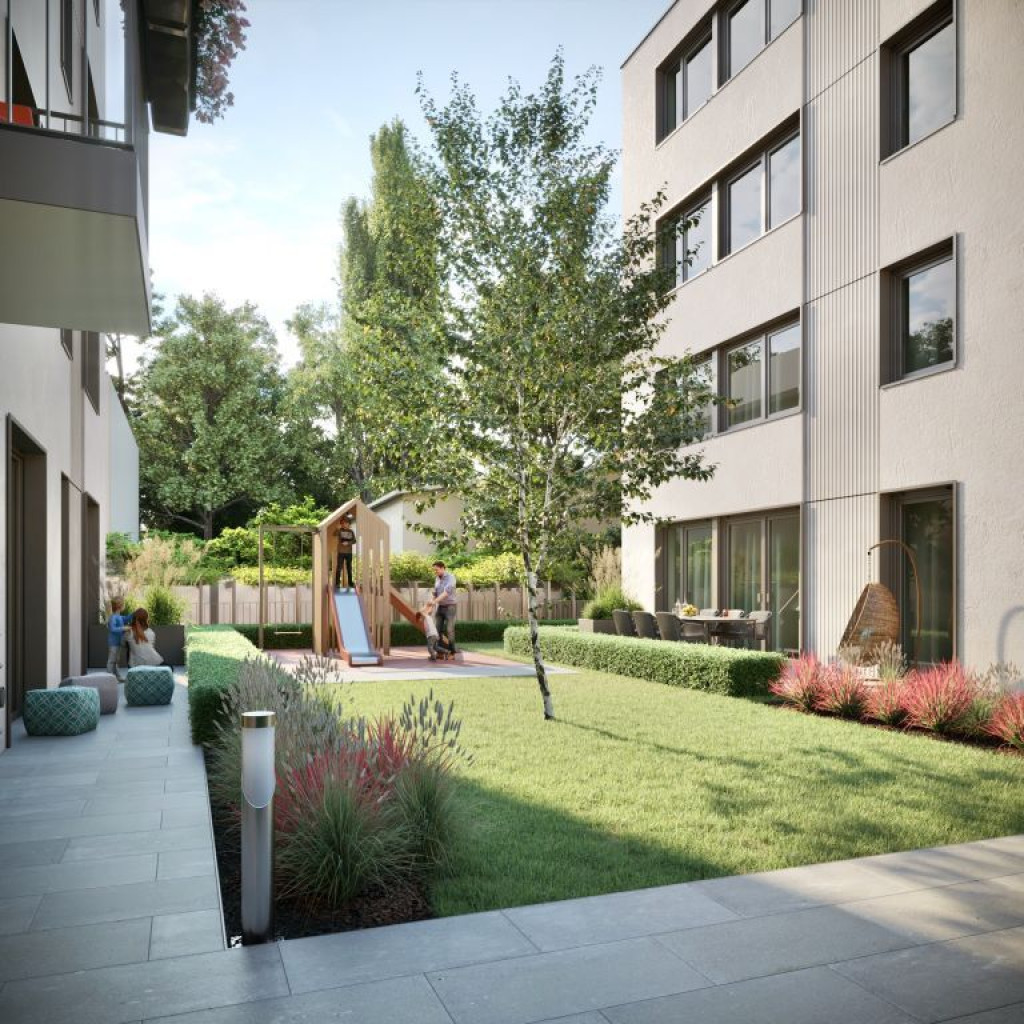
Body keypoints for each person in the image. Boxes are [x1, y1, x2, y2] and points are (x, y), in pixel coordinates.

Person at [431, 560, 458, 655]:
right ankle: (439, 650)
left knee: (449, 630)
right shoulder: (437, 579)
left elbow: (446, 592)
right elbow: (435, 593)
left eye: (436, 570)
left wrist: (434, 602)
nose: (435, 572)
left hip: (450, 607)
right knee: (437, 629)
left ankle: (452, 651)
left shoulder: (451, 578)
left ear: (442, 568)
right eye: (434, 570)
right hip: (440, 607)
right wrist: (431, 603)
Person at [105, 597, 133, 678]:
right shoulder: (113, 617)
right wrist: (124, 628)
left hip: (118, 642)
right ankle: (109, 677)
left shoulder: (119, 616)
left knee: (116, 660)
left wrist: (134, 613)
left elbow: (126, 618)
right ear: (120, 606)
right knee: (112, 660)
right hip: (113, 643)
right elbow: (112, 629)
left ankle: (116, 676)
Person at [333, 514, 356, 590]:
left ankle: (350, 583)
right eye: (343, 523)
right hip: (341, 552)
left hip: (349, 552)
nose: (345, 524)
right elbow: (334, 534)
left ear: (349, 524)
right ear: (341, 524)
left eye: (346, 523)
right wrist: (337, 529)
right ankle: (337, 584)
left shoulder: (351, 531)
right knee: (339, 568)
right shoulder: (339, 530)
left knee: (349, 568)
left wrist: (348, 543)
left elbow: (354, 541)